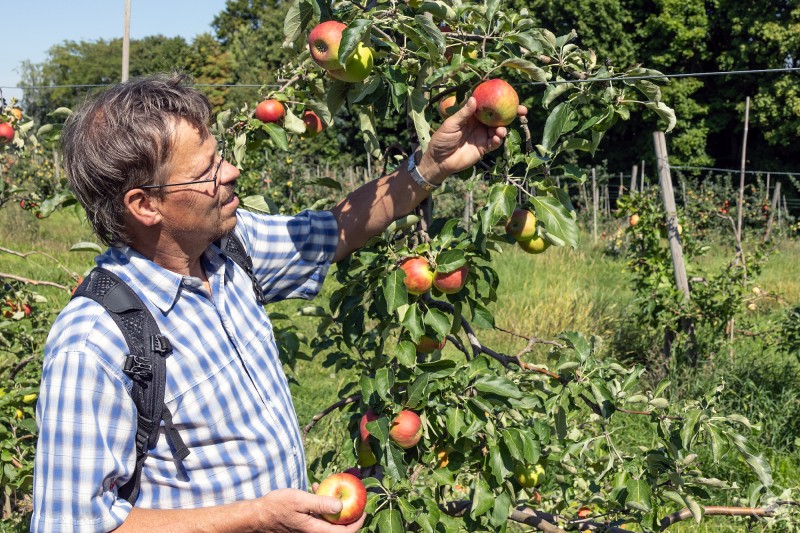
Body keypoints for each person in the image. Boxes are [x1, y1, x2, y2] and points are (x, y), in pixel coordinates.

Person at [32, 73, 524, 532]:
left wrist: (431, 166)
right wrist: (255, 517)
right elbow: (72, 525)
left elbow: (335, 231)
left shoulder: (228, 250)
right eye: (206, 171)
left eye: (219, 155)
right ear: (145, 205)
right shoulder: (94, 342)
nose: (232, 170)